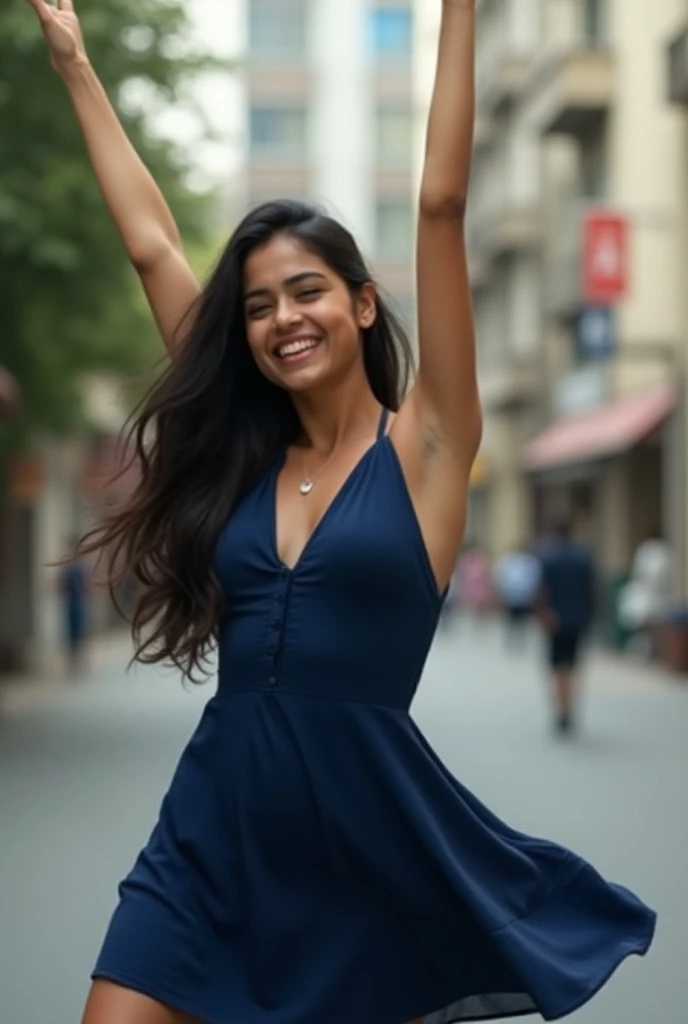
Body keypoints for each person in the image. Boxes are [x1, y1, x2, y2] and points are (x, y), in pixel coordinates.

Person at [24, 2, 655, 1022]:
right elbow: (149, 245)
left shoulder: (430, 447)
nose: (281, 319)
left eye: (306, 290)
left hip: (360, 846)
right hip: (210, 830)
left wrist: (458, 11)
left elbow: (442, 203)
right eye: (259, 304)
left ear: (363, 302)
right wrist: (74, 64)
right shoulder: (245, 452)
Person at [538, 519, 596, 735]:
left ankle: (561, 711)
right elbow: (590, 591)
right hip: (578, 619)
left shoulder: (549, 558)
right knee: (572, 667)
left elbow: (542, 591)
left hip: (555, 620)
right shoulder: (583, 558)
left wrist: (544, 614)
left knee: (557, 668)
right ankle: (570, 709)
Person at [493, 543, 541, 648]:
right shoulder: (509, 561)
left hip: (522, 594)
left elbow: (534, 578)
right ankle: (512, 638)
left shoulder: (528, 561)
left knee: (521, 619)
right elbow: (501, 576)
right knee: (512, 618)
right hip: (513, 594)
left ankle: (518, 639)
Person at [58, 534, 90, 674]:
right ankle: (72, 661)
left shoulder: (82, 566)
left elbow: (87, 585)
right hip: (70, 604)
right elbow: (61, 585)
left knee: (80, 632)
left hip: (79, 604)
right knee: (71, 633)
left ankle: (80, 659)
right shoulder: (67, 567)